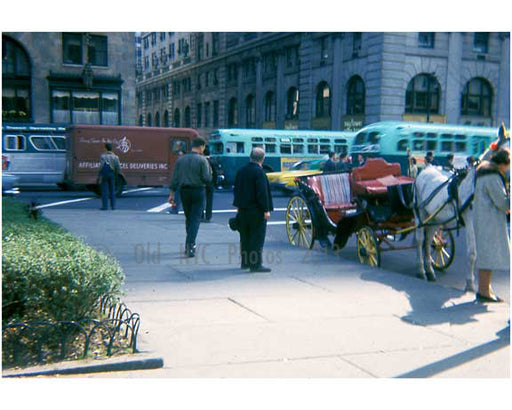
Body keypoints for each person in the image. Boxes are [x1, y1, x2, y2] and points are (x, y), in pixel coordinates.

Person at [473, 148, 510, 303]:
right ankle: (483, 292)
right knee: (488, 256)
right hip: (489, 221)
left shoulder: (485, 173)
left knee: (486, 255)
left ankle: (485, 290)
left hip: (484, 219)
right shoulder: (493, 176)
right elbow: (502, 203)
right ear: (503, 164)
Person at [168, 137, 212, 258]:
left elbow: (174, 179)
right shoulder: (202, 160)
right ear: (201, 146)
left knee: (189, 217)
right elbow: (207, 178)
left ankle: (189, 243)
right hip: (198, 191)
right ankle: (190, 245)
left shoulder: (181, 160)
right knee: (196, 218)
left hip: (184, 192)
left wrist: (171, 195)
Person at [233, 147, 274, 273]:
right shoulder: (259, 172)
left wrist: (238, 207)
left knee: (244, 237)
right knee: (257, 237)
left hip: (243, 209)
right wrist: (266, 209)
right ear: (263, 158)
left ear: (250, 157)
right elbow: (262, 193)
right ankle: (255, 264)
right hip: (256, 210)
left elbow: (236, 190)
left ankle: (245, 262)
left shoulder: (241, 170)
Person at [98, 142, 121, 211]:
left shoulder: (102, 156)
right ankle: (113, 206)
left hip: (105, 174)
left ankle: (105, 206)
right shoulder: (115, 157)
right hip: (112, 174)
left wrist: (100, 175)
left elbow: (101, 166)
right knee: (112, 190)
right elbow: (118, 167)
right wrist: (116, 174)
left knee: (104, 191)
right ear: (111, 149)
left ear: (105, 148)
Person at [201, 146, 218, 222]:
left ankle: (201, 215)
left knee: (201, 200)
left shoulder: (201, 161)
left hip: (201, 183)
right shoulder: (212, 161)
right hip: (210, 183)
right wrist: (214, 183)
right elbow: (215, 173)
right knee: (209, 200)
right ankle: (208, 216)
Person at [169, 149, 185, 214]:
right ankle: (174, 210)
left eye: (181, 155)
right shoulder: (182, 162)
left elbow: (175, 174)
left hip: (182, 182)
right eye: (179, 155)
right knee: (177, 198)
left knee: (177, 197)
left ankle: (174, 210)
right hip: (180, 183)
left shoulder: (178, 162)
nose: (179, 156)